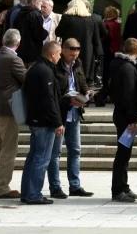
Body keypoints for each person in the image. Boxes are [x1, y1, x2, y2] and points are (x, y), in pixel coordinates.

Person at [47, 38, 93, 198]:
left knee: (75, 150)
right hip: (61, 113)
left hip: (75, 113)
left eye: (77, 52)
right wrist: (68, 100)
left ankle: (75, 185)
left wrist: (86, 93)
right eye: (71, 52)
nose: (74, 56)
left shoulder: (78, 64)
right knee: (55, 152)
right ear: (63, 50)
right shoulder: (55, 67)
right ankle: (55, 187)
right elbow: (53, 94)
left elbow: (82, 82)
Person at [20, 41, 63, 205]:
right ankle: (33, 194)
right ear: (52, 54)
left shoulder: (35, 68)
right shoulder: (45, 71)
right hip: (44, 121)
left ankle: (28, 192)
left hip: (36, 118)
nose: (60, 56)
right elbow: (49, 99)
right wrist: (58, 121)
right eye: (58, 53)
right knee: (41, 158)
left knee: (34, 157)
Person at [0, 29, 26, 199]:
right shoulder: (14, 58)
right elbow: (25, 78)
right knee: (8, 148)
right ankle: (2, 186)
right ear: (18, 43)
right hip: (8, 108)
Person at [109, 38, 137, 202]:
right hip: (126, 117)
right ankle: (118, 189)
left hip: (121, 114)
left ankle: (123, 186)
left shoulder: (117, 65)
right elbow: (129, 95)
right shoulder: (128, 69)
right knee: (123, 153)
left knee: (124, 152)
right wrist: (132, 119)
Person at [55, 0, 101, 91]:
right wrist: (99, 53)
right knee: (83, 75)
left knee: (70, 73)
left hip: (69, 50)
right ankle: (83, 98)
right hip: (87, 52)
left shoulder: (66, 18)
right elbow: (96, 38)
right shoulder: (91, 19)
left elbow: (58, 32)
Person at [96, 6, 122, 106]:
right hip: (117, 51)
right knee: (114, 76)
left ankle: (101, 97)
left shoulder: (105, 24)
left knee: (105, 76)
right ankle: (113, 96)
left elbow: (104, 38)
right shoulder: (118, 24)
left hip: (106, 52)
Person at [13, 0, 48, 65]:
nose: (41, 3)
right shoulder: (35, 15)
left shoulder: (19, 13)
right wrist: (46, 32)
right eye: (40, 1)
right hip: (32, 54)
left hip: (20, 51)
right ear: (33, 2)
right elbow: (39, 34)